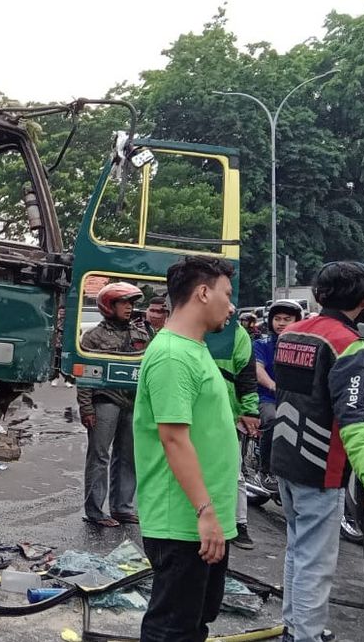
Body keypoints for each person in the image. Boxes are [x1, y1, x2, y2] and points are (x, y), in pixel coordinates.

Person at [271, 262, 364, 642]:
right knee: (316, 561)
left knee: (298, 550)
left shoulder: (292, 333)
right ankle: (305, 636)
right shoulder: (350, 348)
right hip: (319, 468)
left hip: (284, 458)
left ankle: (295, 629)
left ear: (316, 294)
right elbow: (357, 422)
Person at [134, 256, 239, 642]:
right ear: (203, 292)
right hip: (184, 522)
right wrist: (205, 512)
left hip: (205, 521)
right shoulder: (173, 356)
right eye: (227, 295)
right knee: (172, 630)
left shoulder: (194, 348)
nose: (230, 306)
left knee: (196, 622)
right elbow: (173, 438)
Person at [77, 282, 151, 527]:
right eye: (123, 302)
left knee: (129, 457)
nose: (129, 307)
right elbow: (84, 374)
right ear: (109, 305)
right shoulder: (93, 337)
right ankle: (95, 511)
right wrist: (86, 407)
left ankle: (122, 508)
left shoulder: (141, 334)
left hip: (133, 402)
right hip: (104, 400)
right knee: (99, 456)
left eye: (131, 303)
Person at [212, 320, 260, 550]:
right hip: (190, 412)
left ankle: (239, 524)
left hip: (227, 413)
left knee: (235, 471)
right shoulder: (187, 326)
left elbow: (247, 375)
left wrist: (250, 410)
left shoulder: (237, 334)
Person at [252, 299, 303, 494]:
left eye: (287, 319)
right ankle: (266, 471)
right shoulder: (262, 344)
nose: (281, 323)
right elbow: (258, 370)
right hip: (268, 398)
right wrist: (273, 386)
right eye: (278, 319)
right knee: (274, 420)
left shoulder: (304, 345)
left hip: (296, 398)